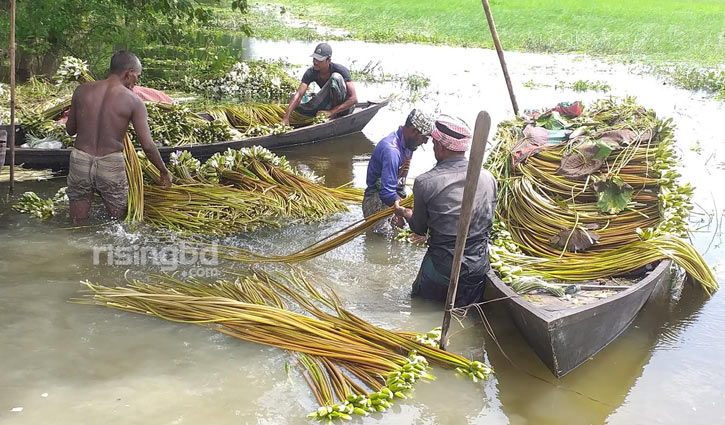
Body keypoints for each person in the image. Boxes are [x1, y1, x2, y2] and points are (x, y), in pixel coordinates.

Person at [394, 115, 497, 307]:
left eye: (434, 143)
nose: (433, 147)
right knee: (465, 312)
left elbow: (419, 228)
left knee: (419, 305)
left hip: (443, 269)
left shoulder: (426, 182)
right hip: (478, 267)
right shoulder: (488, 177)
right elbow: (488, 219)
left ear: (440, 147)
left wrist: (404, 213)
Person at [66, 51, 172, 224]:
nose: (136, 81)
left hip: (80, 160)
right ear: (128, 73)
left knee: (77, 223)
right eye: (137, 76)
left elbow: (70, 130)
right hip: (111, 164)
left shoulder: (81, 91)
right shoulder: (134, 101)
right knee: (118, 224)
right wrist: (163, 170)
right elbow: (147, 145)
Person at [363, 109, 433, 233]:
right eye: (424, 138)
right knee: (383, 239)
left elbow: (399, 184)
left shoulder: (409, 145)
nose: (424, 142)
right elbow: (386, 193)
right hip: (376, 201)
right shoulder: (392, 151)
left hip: (394, 198)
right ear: (413, 131)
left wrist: (403, 213)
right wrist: (406, 211)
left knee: (402, 233)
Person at [281, 43, 358, 126]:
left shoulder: (340, 70)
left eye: (319, 60)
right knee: (294, 99)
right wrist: (286, 117)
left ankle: (334, 114)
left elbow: (354, 99)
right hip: (329, 104)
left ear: (328, 60)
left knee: (335, 77)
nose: (315, 62)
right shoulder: (311, 72)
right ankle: (328, 113)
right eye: (314, 58)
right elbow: (299, 95)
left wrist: (331, 112)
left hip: (345, 108)